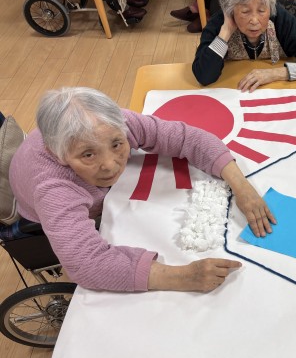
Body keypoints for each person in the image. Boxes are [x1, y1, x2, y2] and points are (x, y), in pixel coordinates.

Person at [8, 87, 276, 293]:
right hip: (45, 212)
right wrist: (183, 276)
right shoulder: (52, 188)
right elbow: (86, 264)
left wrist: (243, 188)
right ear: (60, 154)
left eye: (117, 145)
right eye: (88, 155)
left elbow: (187, 137)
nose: (110, 165)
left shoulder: (110, 124)